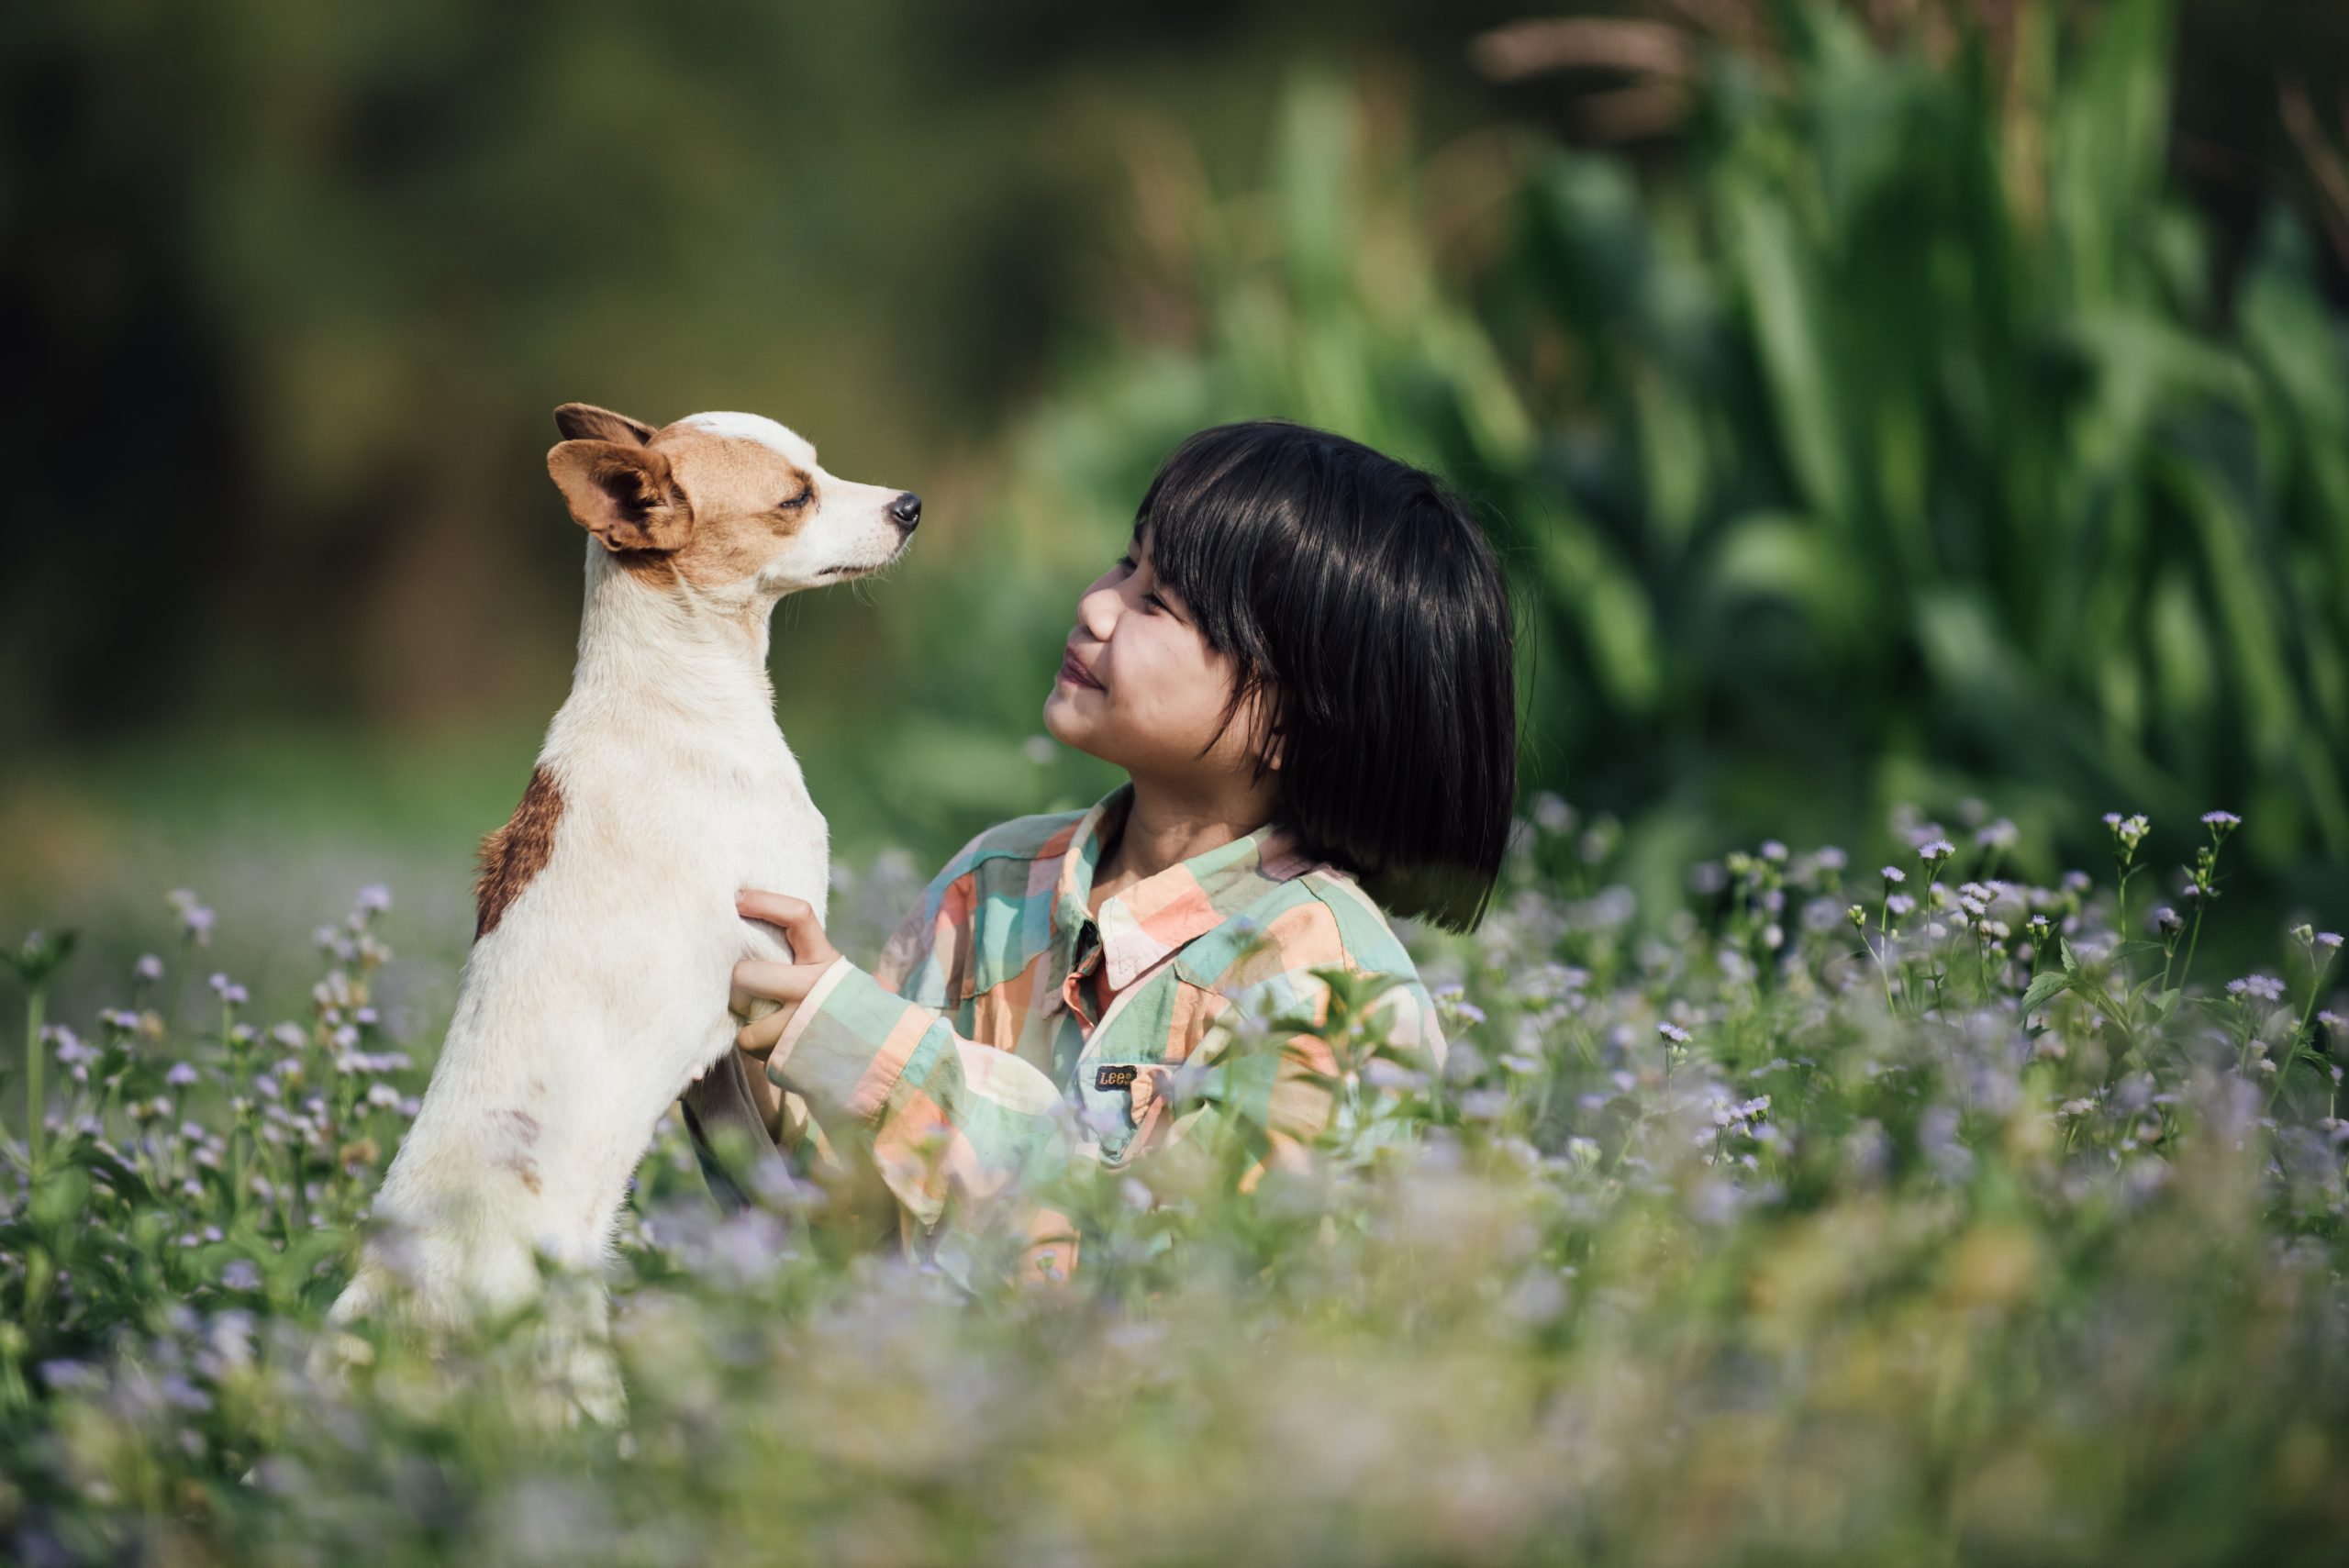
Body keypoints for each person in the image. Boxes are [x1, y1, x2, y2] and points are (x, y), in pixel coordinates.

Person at [704, 417, 1518, 1282]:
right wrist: (739, 1010)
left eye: (1158, 603)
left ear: (1293, 720)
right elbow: (844, 1219)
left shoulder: (1329, 986)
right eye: (1128, 564)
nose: (1097, 605)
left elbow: (1188, 1290)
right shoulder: (993, 884)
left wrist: (887, 1063)